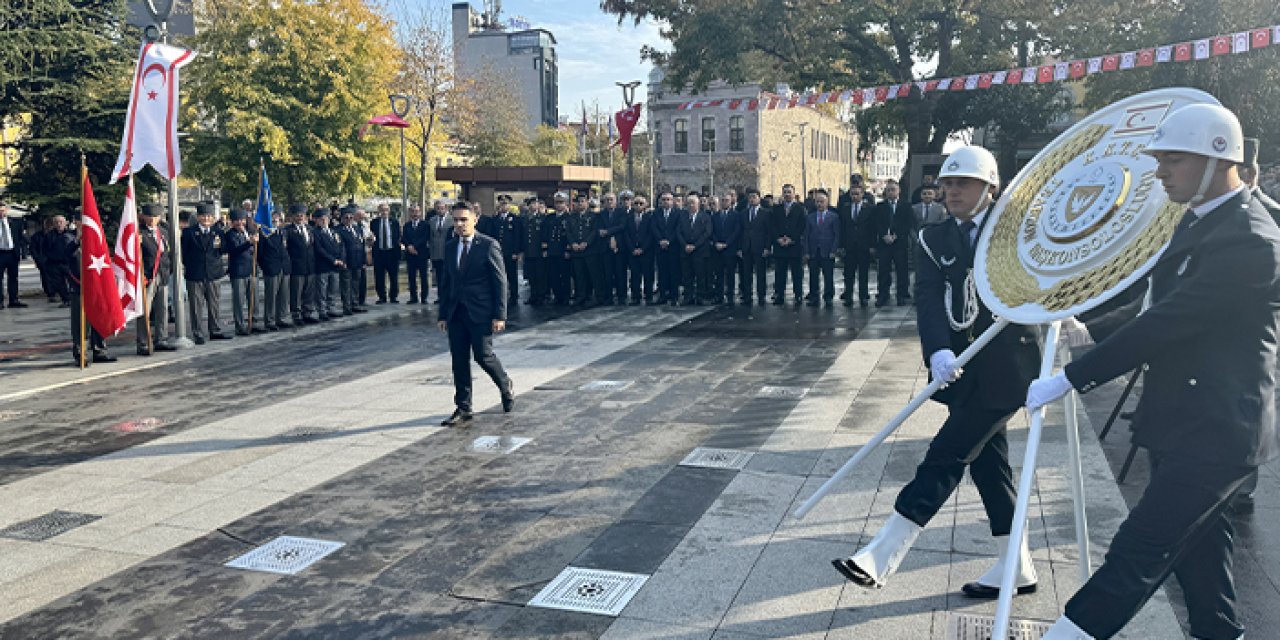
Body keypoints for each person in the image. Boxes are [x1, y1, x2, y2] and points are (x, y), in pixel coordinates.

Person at [1028, 104, 1280, 640]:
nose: (1160, 170)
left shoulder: (1252, 242)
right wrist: (1087, 329)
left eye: (1172, 159)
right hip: (1184, 420)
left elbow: (1169, 320)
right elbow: (1152, 303)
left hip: (1217, 431)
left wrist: (1072, 376)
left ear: (1218, 160)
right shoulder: (1203, 220)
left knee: (1139, 550)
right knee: (1201, 557)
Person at [832, 146, 1042, 602]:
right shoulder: (932, 237)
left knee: (947, 453)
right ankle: (1017, 564)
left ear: (991, 187)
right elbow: (928, 298)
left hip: (1009, 366)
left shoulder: (1015, 230)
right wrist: (939, 351)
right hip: (964, 365)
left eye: (962, 184)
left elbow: (1045, 277)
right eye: (947, 184)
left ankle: (883, 552)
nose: (951, 192)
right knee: (990, 465)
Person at [437, 202, 514, 426]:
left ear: (475, 220)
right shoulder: (451, 246)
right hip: (456, 313)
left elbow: (500, 283)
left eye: (464, 220)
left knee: (483, 355)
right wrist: (443, 314)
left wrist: (500, 315)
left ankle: (504, 383)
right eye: (456, 220)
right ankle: (463, 406)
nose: (460, 225)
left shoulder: (488, 245)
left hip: (480, 312)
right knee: (459, 360)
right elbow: (446, 282)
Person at [182, 202, 232, 343]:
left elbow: (223, 251)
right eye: (203, 216)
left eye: (209, 216)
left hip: (213, 273)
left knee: (214, 304)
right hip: (195, 273)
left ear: (213, 218)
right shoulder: (189, 233)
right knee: (196, 306)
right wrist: (191, 266)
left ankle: (215, 330)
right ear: (198, 217)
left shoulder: (218, 232)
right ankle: (197, 333)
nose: (206, 219)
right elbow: (184, 254)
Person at [136, 204, 175, 354]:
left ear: (159, 218)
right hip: (147, 276)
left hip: (162, 275)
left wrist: (167, 271)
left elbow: (167, 254)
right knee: (145, 310)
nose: (152, 220)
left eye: (155, 217)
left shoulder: (163, 232)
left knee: (162, 309)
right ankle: (143, 342)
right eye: (149, 217)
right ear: (144, 217)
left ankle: (161, 339)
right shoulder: (140, 233)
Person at [871, 180, 914, 306]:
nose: (890, 192)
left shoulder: (905, 206)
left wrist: (896, 236)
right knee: (883, 270)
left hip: (899, 243)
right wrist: (884, 235)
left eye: (893, 190)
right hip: (884, 243)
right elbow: (876, 223)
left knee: (902, 270)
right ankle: (883, 294)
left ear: (898, 191)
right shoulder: (880, 207)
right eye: (888, 190)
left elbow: (908, 223)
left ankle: (901, 295)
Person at [223, 209, 259, 335]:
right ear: (232, 222)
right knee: (239, 300)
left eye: (242, 220)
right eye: (237, 221)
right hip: (238, 271)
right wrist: (249, 243)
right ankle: (240, 325)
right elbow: (234, 250)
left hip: (251, 269)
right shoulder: (229, 235)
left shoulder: (249, 232)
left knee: (253, 298)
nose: (240, 223)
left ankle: (253, 322)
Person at [771, 184, 806, 304]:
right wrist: (778, 238)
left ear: (794, 194)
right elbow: (772, 226)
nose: (787, 194)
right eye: (785, 192)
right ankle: (779, 294)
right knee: (780, 273)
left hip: (794, 246)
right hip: (780, 245)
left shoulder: (800, 209)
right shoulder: (776, 209)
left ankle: (798, 295)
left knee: (797, 273)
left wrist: (792, 239)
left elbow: (802, 226)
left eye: (789, 192)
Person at [838, 184, 873, 307]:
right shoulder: (845, 208)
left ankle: (863, 296)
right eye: (852, 194)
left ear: (862, 194)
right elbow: (842, 228)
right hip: (849, 245)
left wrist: (871, 245)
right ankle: (848, 296)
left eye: (857, 194)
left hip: (863, 245)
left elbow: (872, 229)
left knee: (863, 273)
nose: (855, 196)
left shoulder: (869, 208)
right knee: (848, 273)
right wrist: (841, 245)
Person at [257, 210, 291, 330]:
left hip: (284, 267)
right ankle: (269, 320)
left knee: (283, 295)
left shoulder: (283, 232)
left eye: (278, 220)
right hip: (271, 268)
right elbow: (259, 255)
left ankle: (281, 318)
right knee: (271, 296)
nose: (276, 222)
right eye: (274, 220)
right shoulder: (264, 233)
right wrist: (265, 267)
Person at [804, 190, 840, 306]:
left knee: (828, 275)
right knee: (813, 275)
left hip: (827, 250)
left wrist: (834, 250)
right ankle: (814, 296)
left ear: (827, 202)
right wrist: (807, 251)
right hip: (814, 250)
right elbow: (806, 235)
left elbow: (836, 235)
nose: (819, 204)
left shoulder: (833, 217)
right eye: (817, 202)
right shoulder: (810, 217)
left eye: (822, 202)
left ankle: (828, 296)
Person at [284, 203, 318, 324]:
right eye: (297, 216)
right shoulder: (288, 231)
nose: (300, 218)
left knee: (309, 292)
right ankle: (296, 315)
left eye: (302, 215)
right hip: (296, 266)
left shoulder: (310, 229)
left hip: (310, 266)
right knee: (296, 293)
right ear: (293, 217)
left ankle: (307, 312)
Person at [678, 193, 713, 305]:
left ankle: (700, 297)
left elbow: (707, 233)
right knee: (687, 276)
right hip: (686, 251)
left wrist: (695, 246)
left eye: (693, 203)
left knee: (700, 276)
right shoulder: (682, 216)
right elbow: (678, 232)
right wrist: (685, 245)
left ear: (698, 204)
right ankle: (688, 296)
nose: (691, 205)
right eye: (689, 203)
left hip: (700, 251)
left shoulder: (705, 217)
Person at [620, 193, 654, 304]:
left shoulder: (649, 217)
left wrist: (643, 249)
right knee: (635, 275)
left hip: (646, 251)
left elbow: (651, 234)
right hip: (632, 250)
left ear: (645, 205)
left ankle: (648, 296)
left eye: (641, 203)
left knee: (648, 275)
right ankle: (636, 296)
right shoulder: (628, 217)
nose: (638, 205)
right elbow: (626, 234)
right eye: (636, 203)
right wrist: (632, 248)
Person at [311, 208, 345, 320]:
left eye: (326, 218)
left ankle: (332, 308)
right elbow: (319, 249)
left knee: (333, 289)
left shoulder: (334, 232)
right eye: (321, 219)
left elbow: (340, 246)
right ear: (317, 220)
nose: (324, 221)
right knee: (321, 290)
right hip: (323, 266)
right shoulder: (315, 233)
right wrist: (333, 260)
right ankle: (322, 310)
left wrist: (341, 259)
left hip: (335, 266)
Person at [740, 188, 771, 306]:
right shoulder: (743, 213)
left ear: (759, 198)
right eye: (750, 197)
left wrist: (767, 247)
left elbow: (769, 232)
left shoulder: (766, 213)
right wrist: (740, 248)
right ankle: (747, 296)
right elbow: (740, 231)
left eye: (754, 197)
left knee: (760, 274)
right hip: (746, 247)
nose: (752, 199)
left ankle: (761, 296)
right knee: (746, 273)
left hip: (760, 247)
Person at [651, 191, 683, 306]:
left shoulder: (678, 213)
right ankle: (663, 295)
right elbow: (654, 228)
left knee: (674, 272)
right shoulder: (656, 213)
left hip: (673, 247)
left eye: (668, 199)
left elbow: (678, 229)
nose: (666, 202)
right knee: (662, 272)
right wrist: (661, 240)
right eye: (663, 200)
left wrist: (669, 241)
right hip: (660, 247)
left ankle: (674, 296)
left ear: (673, 201)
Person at [711, 193, 742, 304]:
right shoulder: (715, 216)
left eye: (727, 200)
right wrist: (716, 243)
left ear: (731, 201)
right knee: (718, 274)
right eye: (723, 200)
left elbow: (736, 231)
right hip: (717, 249)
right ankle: (719, 295)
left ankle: (730, 295)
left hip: (730, 249)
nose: (725, 202)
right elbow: (712, 231)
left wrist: (726, 244)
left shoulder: (736, 215)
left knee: (730, 274)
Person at [336, 208, 368, 315]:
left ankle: (355, 304)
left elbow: (362, 245)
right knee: (346, 285)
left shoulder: (357, 228)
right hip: (346, 262)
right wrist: (342, 261)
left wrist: (364, 261)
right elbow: (340, 247)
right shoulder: (338, 230)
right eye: (346, 217)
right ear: (342, 218)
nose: (349, 219)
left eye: (351, 217)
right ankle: (347, 306)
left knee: (355, 284)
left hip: (357, 261)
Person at [493, 203, 525, 306]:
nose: (503, 207)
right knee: (499, 275)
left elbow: (517, 236)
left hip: (510, 252)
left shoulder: (515, 219)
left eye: (505, 204)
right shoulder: (496, 219)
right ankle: (501, 295)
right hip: (498, 252)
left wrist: (517, 251)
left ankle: (514, 296)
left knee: (512, 275)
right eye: (501, 204)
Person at [370, 204, 401, 304]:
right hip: (379, 252)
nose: (384, 212)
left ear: (389, 211)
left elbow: (398, 236)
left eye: (386, 210)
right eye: (382, 210)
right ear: (378, 211)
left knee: (393, 276)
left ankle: (393, 296)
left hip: (392, 252)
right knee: (379, 276)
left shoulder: (395, 222)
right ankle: (382, 297)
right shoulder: (374, 223)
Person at [0, 202, 28, 309]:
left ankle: (14, 299)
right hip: (1, 252)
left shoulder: (15, 222)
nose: (1, 213)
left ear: (7, 210)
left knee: (13, 277)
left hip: (12, 253)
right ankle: (0, 301)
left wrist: (22, 250)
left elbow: (20, 237)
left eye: (3, 210)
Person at [401, 205, 430, 304]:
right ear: (410, 213)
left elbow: (425, 237)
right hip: (410, 255)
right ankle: (413, 297)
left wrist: (414, 246)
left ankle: (424, 297)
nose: (415, 214)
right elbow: (404, 238)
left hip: (421, 253)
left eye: (417, 211)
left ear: (420, 213)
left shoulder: (425, 225)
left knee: (423, 277)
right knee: (411, 277)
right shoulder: (407, 225)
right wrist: (408, 246)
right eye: (413, 211)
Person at [427, 200, 451, 302]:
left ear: (446, 208)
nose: (440, 210)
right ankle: (440, 297)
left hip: (448, 253)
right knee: (439, 277)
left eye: (442, 208)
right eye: (438, 208)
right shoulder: (432, 220)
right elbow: (430, 237)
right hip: (436, 253)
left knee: (448, 276)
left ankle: (449, 296)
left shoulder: (452, 220)